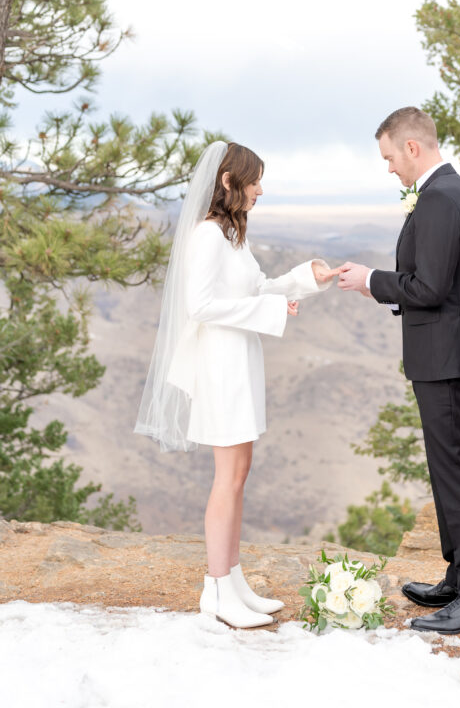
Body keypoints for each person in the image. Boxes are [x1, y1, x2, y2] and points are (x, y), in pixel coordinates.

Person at [135, 141, 339, 629]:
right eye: (253, 181)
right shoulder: (206, 235)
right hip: (219, 364)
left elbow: (256, 288)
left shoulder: (232, 235)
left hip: (240, 359)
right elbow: (200, 306)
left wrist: (305, 280)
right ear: (228, 182)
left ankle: (231, 581)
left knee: (239, 472)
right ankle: (216, 587)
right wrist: (268, 308)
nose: (259, 190)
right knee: (226, 478)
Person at [337, 107, 460, 636]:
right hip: (448, 353)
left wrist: (371, 279)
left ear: (412, 148)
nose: (388, 170)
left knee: (454, 470)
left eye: (388, 157)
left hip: (447, 358)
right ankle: (458, 577)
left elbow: (427, 288)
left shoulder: (438, 198)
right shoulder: (449, 191)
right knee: (446, 465)